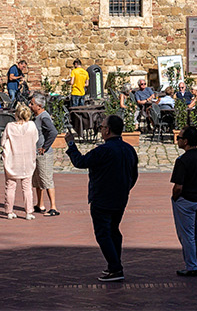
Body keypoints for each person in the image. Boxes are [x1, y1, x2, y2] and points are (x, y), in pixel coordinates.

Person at [68, 113, 139, 282]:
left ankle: (115, 267)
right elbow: (134, 174)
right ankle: (114, 265)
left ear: (107, 130)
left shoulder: (104, 150)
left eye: (102, 127)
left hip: (102, 198)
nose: (101, 130)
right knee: (113, 230)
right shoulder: (129, 149)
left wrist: (71, 144)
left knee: (103, 233)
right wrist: (126, 189)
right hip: (120, 198)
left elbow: (80, 162)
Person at [170, 126, 197, 276]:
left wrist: (175, 198)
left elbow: (178, 186)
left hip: (186, 200)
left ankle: (192, 265)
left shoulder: (182, 160)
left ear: (186, 141)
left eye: (179, 138)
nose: (177, 140)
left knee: (187, 234)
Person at [0, 101, 38, 219]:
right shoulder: (32, 125)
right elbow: (35, 139)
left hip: (12, 160)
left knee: (10, 186)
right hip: (27, 160)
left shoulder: (10, 126)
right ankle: (28, 212)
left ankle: (9, 211)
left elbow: (2, 142)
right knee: (27, 187)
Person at [29, 95, 60, 217]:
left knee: (46, 179)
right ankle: (40, 204)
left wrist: (45, 147)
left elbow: (53, 132)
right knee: (37, 180)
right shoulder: (36, 116)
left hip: (44, 154)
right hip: (36, 153)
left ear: (39, 106)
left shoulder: (44, 117)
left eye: (32, 104)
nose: (30, 106)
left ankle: (53, 207)